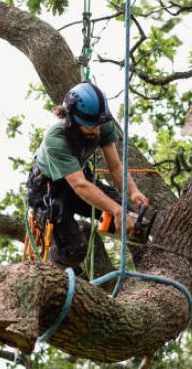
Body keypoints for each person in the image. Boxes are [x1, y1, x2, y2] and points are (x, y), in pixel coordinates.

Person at [27, 81, 149, 269]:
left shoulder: (100, 122)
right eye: (90, 126)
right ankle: (57, 260)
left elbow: (115, 166)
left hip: (80, 178)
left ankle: (143, 256)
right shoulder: (55, 139)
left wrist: (132, 192)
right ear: (71, 121)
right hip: (50, 191)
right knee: (75, 249)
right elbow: (80, 186)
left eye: (98, 125)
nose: (96, 131)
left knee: (130, 217)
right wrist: (115, 210)